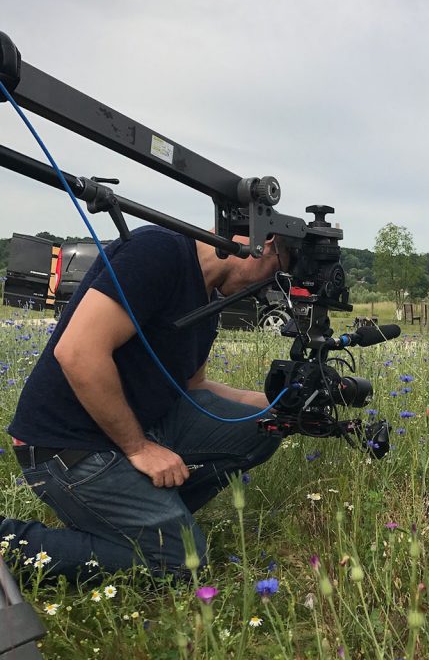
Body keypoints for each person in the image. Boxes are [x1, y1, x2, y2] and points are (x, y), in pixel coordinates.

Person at [0, 224, 292, 580]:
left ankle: (147, 517)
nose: (268, 286)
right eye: (275, 271)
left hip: (137, 427)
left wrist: (282, 404)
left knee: (267, 426)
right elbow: (78, 352)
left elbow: (194, 386)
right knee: (183, 561)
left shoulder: (210, 296)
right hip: (67, 444)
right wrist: (138, 448)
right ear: (262, 242)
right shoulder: (158, 251)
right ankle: (9, 543)